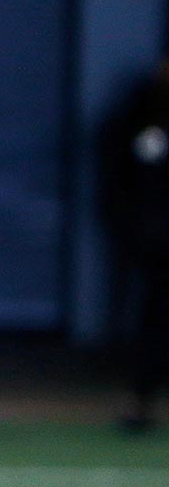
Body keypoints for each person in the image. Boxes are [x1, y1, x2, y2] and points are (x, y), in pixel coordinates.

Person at [99, 59, 169, 433]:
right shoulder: (138, 112)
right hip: (151, 244)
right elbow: (115, 175)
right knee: (152, 318)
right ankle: (141, 398)